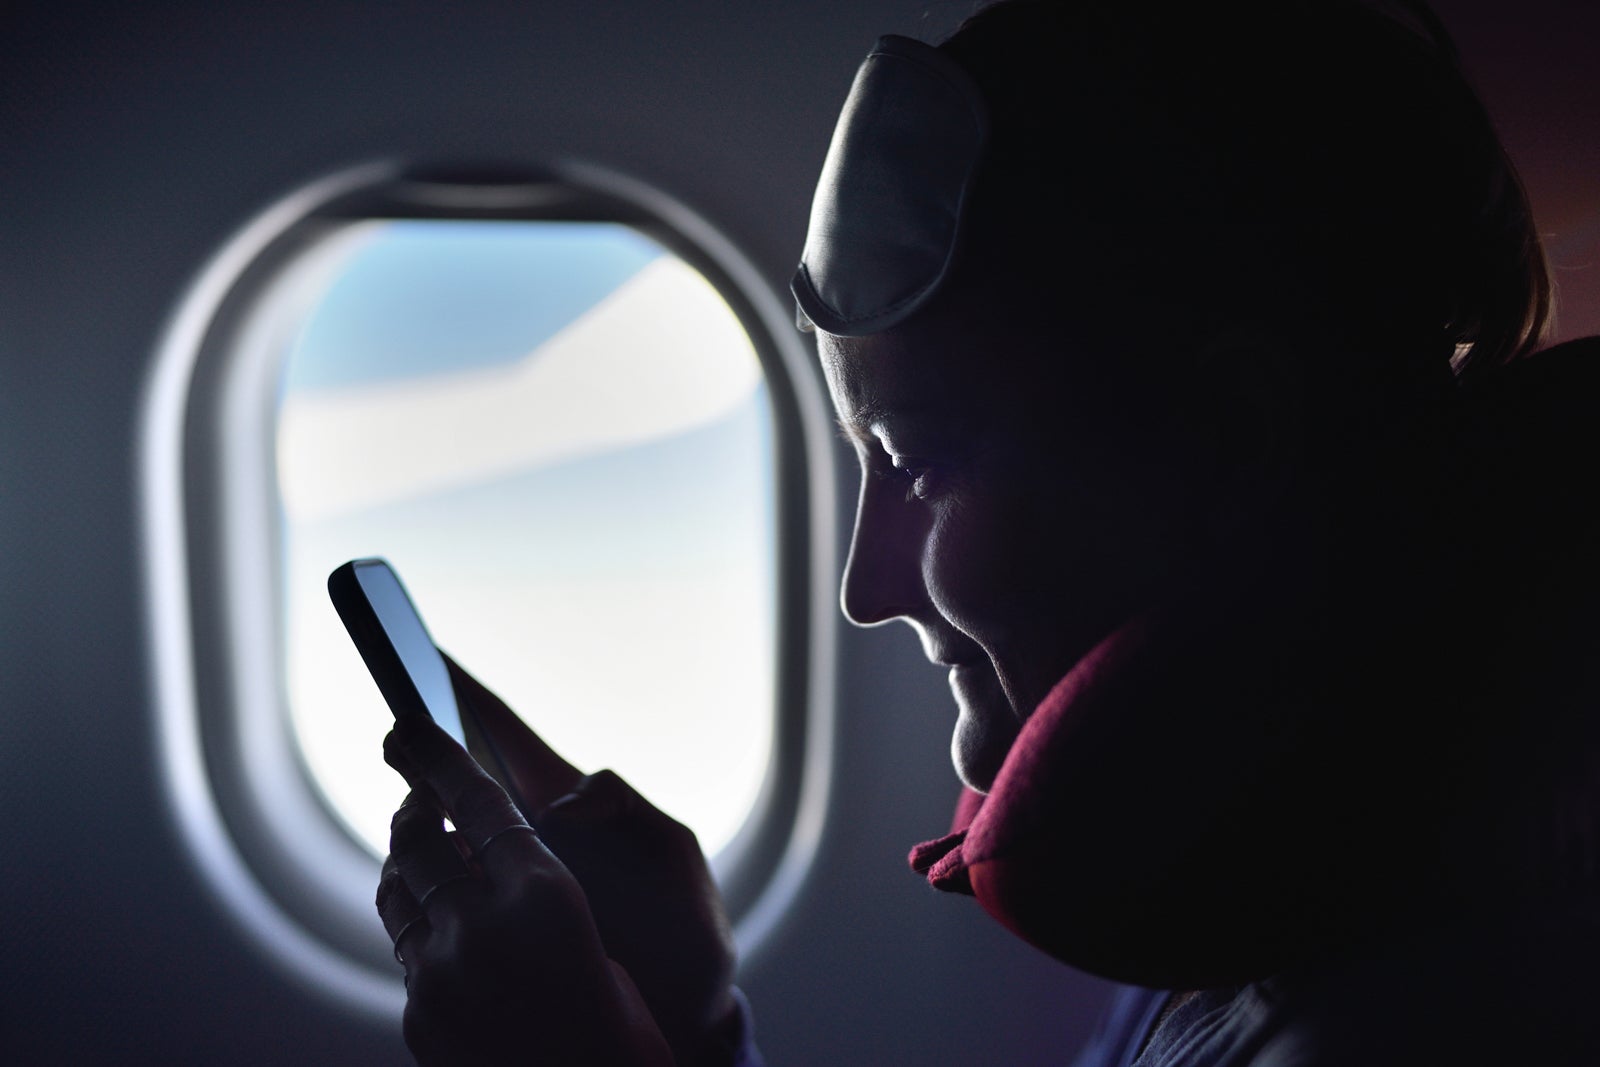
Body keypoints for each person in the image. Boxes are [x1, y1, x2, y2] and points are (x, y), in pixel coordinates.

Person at [373, 1, 1600, 1063]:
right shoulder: (1285, 836)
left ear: (1234, 432)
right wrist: (688, 1022)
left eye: (913, 456)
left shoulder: (1433, 999)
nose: (865, 582)